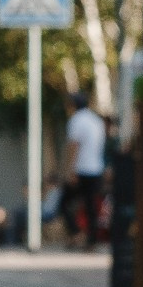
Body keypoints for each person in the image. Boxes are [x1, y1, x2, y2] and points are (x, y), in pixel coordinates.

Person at [62, 96, 107, 247]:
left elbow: (74, 146)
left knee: (64, 203)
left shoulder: (76, 120)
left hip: (81, 169)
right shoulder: (97, 121)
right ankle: (91, 238)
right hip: (96, 168)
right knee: (91, 205)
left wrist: (71, 169)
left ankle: (76, 232)